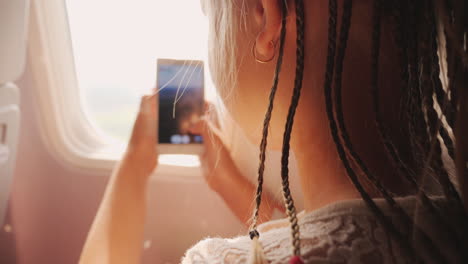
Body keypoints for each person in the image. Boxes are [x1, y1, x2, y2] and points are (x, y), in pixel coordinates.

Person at [79, 0, 468, 263]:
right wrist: (225, 180)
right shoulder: (451, 227)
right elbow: (337, 226)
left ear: (266, 15)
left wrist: (132, 164)